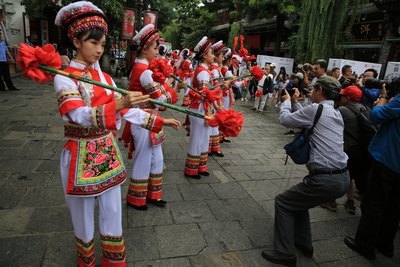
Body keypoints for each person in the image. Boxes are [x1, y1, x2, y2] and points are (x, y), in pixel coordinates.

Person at [53, 2, 176, 265]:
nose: (99, 49)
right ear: (76, 40)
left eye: (103, 44)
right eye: (93, 42)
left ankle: (113, 261)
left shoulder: (106, 79)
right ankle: (86, 261)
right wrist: (118, 104)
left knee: (112, 212)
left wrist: (159, 120)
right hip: (79, 156)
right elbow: (77, 114)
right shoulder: (64, 78)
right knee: (83, 218)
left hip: (107, 153)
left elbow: (128, 113)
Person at [261, 76, 349, 266]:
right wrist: (294, 102)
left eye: (313, 89)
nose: (310, 92)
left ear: (320, 90)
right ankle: (304, 243)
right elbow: (310, 119)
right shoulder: (335, 112)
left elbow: (286, 120)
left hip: (325, 179)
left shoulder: (316, 109)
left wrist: (285, 103)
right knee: (299, 203)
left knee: (283, 202)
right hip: (342, 176)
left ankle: (285, 252)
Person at [123, 24, 181, 210]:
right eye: (155, 48)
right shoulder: (145, 71)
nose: (157, 52)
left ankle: (153, 195)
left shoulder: (140, 68)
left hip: (149, 120)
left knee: (156, 158)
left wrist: (166, 85)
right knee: (145, 158)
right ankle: (136, 198)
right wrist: (173, 89)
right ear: (145, 48)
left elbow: (156, 96)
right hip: (144, 120)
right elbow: (159, 103)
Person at [344, 81, 400, 260]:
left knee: (374, 203)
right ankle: (385, 244)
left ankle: (365, 244)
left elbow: (376, 115)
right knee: (393, 207)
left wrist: (383, 96)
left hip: (388, 158)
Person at [184, 36, 215, 179]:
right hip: (199, 109)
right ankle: (191, 170)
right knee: (197, 139)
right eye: (211, 53)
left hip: (203, 109)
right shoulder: (203, 72)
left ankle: (200, 167)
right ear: (204, 56)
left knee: (204, 138)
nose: (213, 56)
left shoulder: (205, 70)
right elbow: (203, 95)